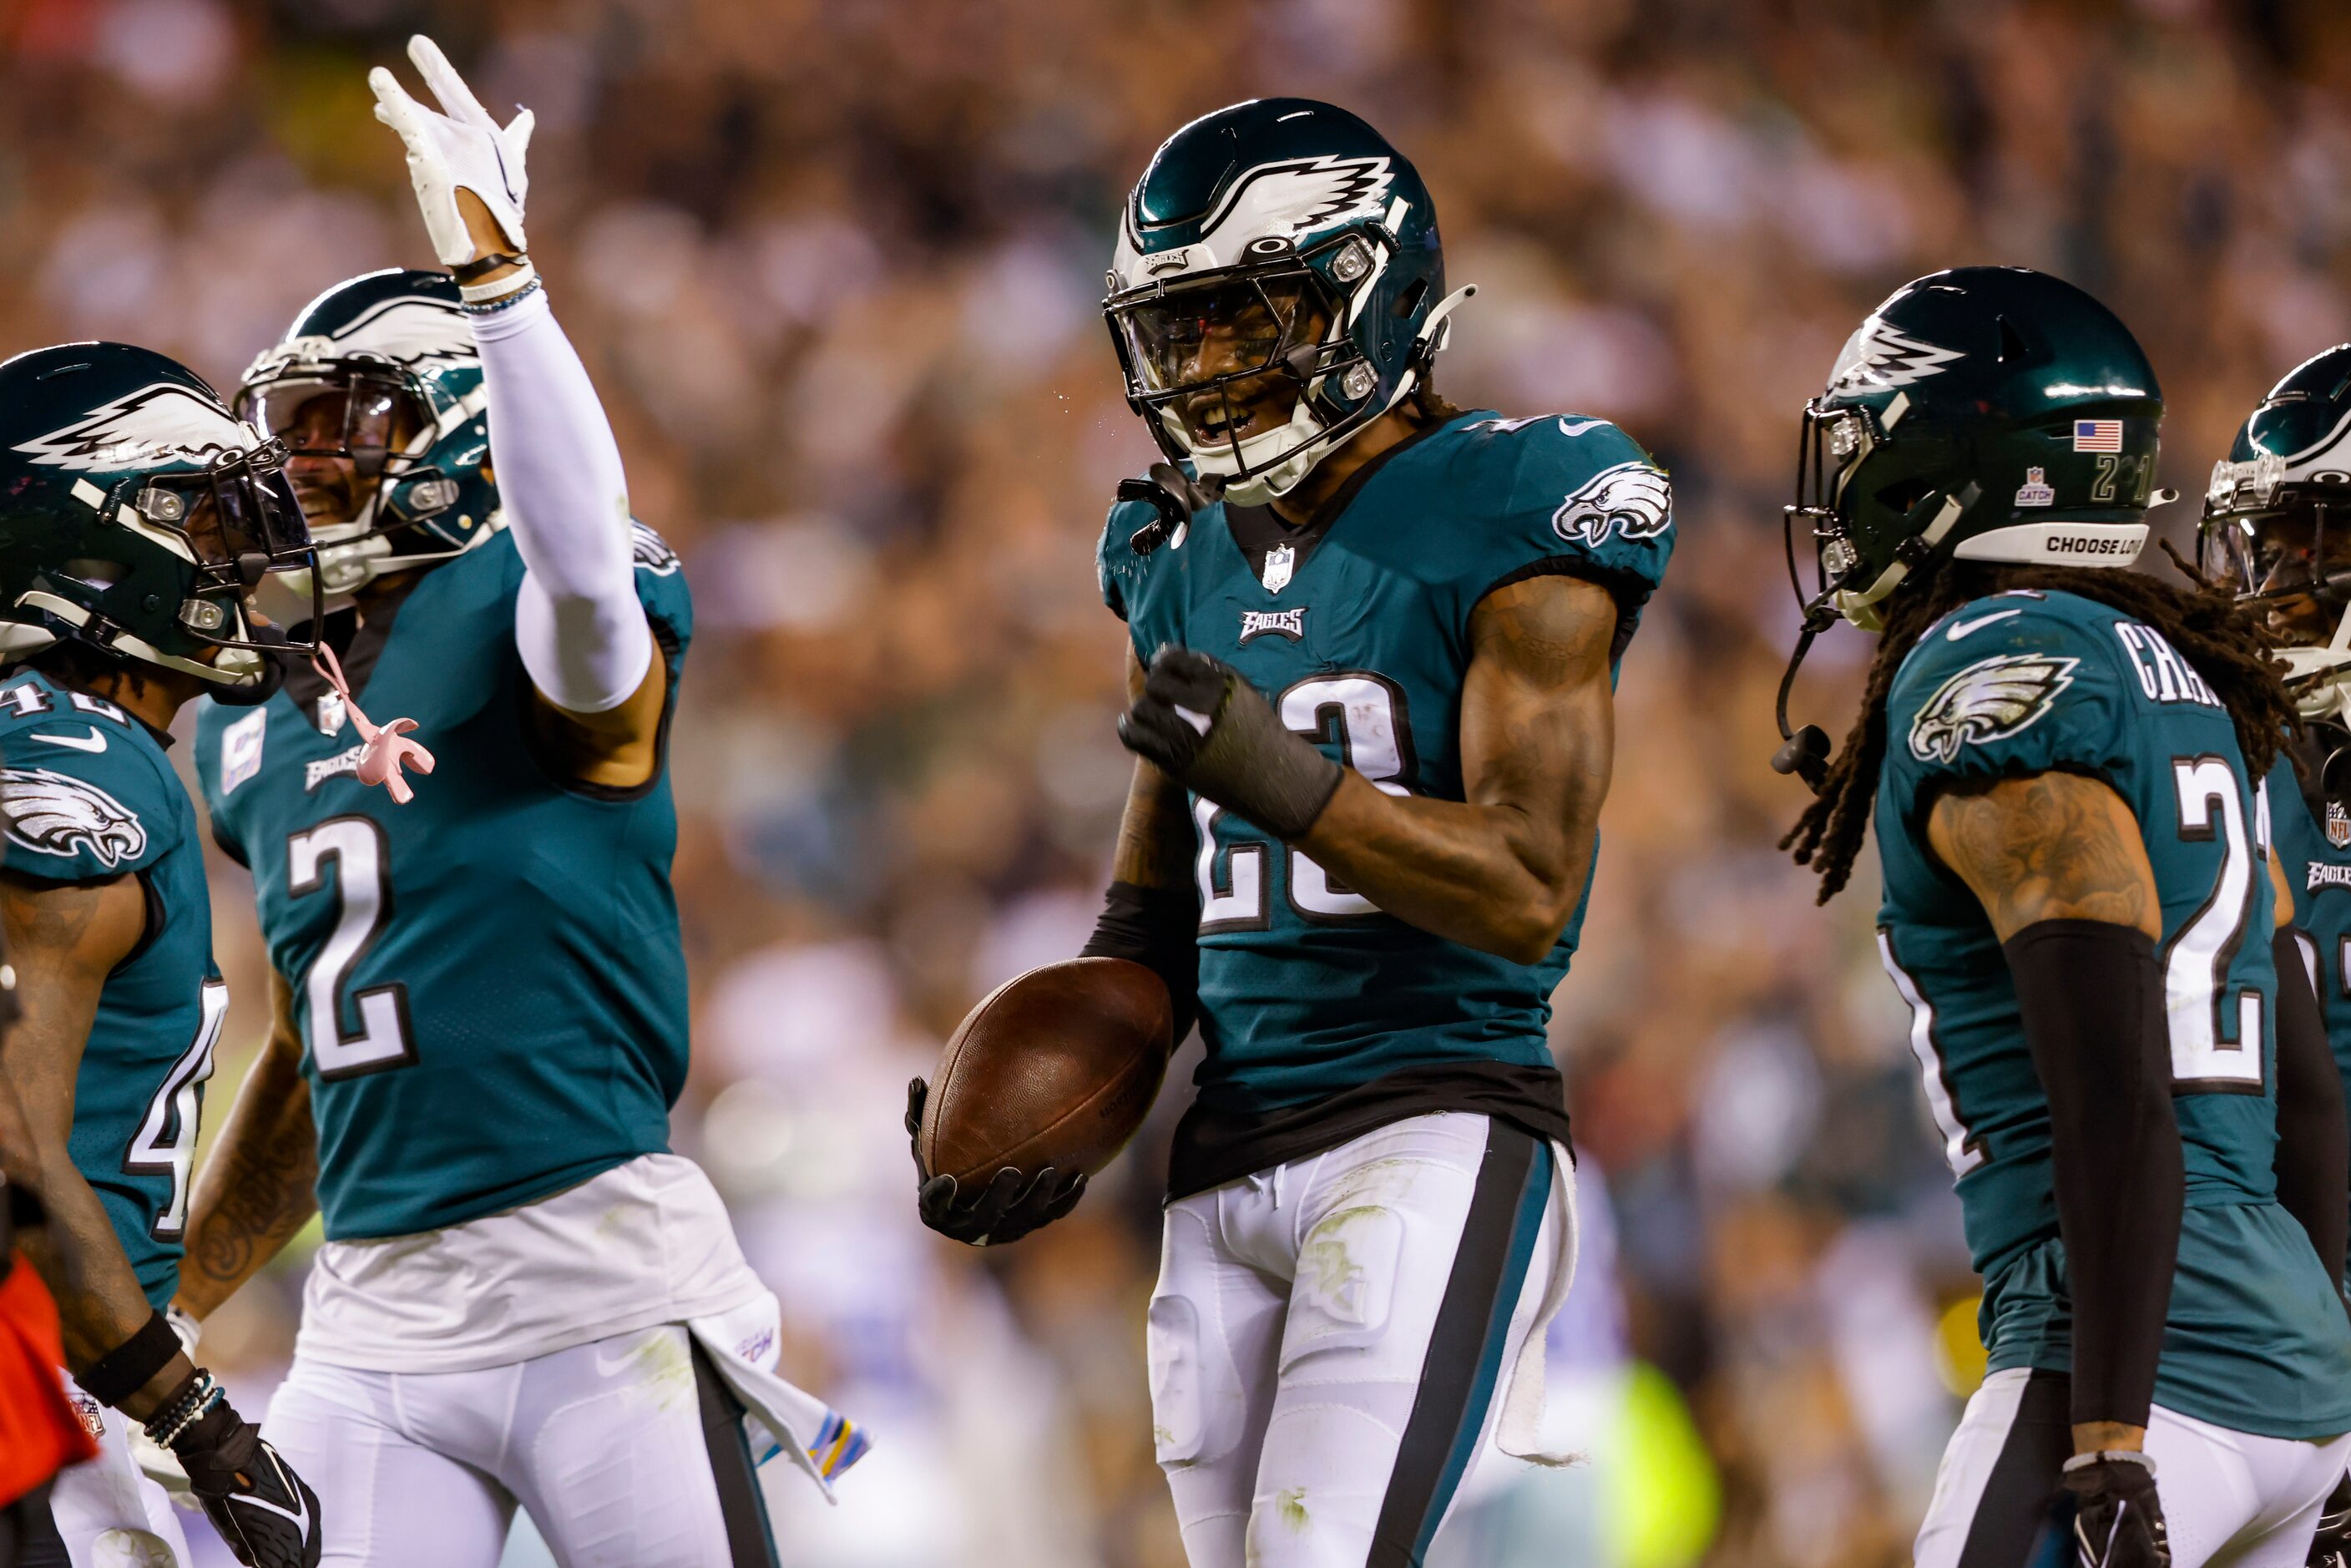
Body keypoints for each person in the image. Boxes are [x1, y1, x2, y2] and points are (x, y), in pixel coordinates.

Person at [909, 97, 1674, 1566]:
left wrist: (1288, 780)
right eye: (1178, 331)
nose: (1203, 368)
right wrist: (1028, 1093)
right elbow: (1151, 924)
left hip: (1434, 1118)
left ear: (1366, 289)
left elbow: (1530, 888)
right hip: (1226, 1155)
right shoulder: (1177, 554)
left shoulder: (1517, 506)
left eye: (1242, 318)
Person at [172, 36, 860, 1568]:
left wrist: (503, 286)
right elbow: (314, 1036)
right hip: (367, 1308)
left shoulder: (532, 607)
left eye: (336, 433)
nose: (292, 474)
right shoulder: (251, 711)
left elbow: (586, 575)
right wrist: (176, 1304)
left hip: (598, 1278)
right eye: (283, 435)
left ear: (455, 439)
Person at [1777, 266, 2351, 1568]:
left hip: (2136, 1349)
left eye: (1878, 446)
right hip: (2290, 1372)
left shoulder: (1998, 669)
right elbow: (2304, 1088)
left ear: (1968, 465)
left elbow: (2114, 1084)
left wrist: (2107, 1431)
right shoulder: (2196, 684)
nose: (1848, 489)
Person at [0, 341, 325, 1566]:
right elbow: (10, 1150)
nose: (235, 559)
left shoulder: (92, 749)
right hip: (32, 1393)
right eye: (197, 519)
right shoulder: (79, 767)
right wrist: (193, 1412)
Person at [2197, 346, 2351, 1568]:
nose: (2281, 581)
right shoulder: (2243, 762)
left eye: (2322, 539)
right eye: (2272, 539)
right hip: (2275, 1345)